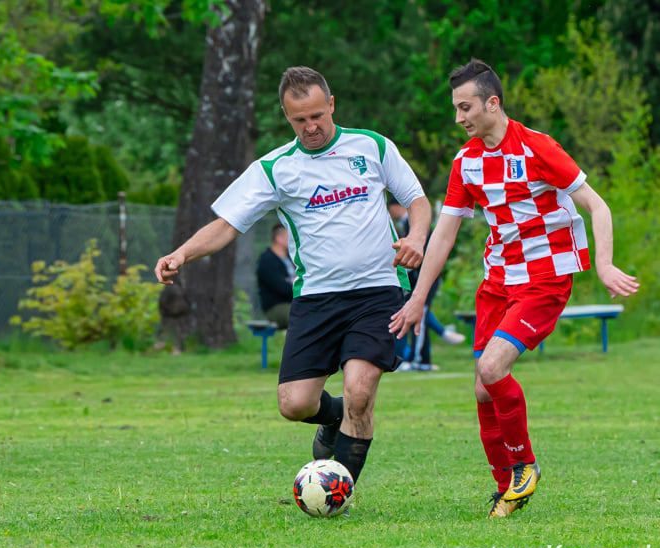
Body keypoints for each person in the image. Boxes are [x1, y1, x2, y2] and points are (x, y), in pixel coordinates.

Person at [155, 66, 432, 494]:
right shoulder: (276, 168)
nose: (312, 127)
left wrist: (416, 236)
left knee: (361, 392)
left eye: (317, 115)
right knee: (295, 404)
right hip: (316, 298)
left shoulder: (371, 146)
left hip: (377, 290)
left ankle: (336, 492)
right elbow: (226, 225)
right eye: (300, 120)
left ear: (332, 104)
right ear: (286, 116)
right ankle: (336, 416)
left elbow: (416, 200)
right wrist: (182, 253)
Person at [389, 58, 639, 518]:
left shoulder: (539, 148)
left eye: (465, 108)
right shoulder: (465, 163)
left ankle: (525, 465)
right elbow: (444, 234)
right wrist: (418, 298)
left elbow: (596, 206)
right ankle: (506, 488)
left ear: (492, 102)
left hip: (544, 280)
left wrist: (603, 265)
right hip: (498, 282)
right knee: (484, 388)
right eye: (455, 109)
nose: (458, 118)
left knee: (491, 367)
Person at [387, 198, 465, 372]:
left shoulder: (414, 226)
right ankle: (440, 337)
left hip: (424, 276)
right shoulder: (410, 224)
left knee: (419, 315)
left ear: (396, 206)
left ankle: (419, 359)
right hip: (417, 276)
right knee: (414, 311)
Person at [256, 223, 294, 329]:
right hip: (275, 308)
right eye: (289, 236)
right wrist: (296, 282)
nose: (293, 239)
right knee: (303, 315)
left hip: (295, 303)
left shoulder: (291, 259)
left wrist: (290, 281)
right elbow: (282, 288)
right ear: (279, 238)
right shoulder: (267, 260)